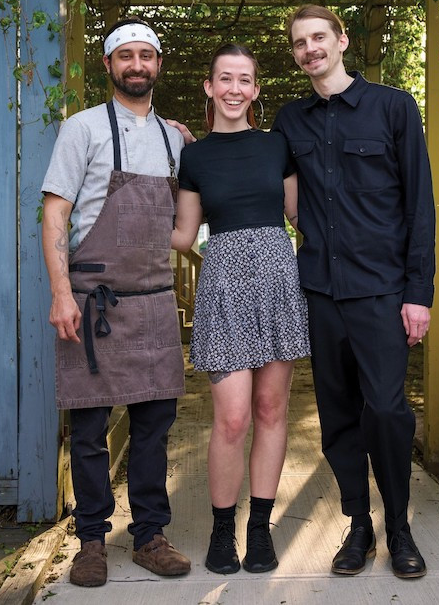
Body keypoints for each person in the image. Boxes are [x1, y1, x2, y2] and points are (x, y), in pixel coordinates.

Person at [272, 5, 435, 579]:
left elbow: (419, 206)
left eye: (319, 37)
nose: (310, 48)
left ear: (342, 40)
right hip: (319, 290)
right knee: (338, 417)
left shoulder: (394, 107)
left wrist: (420, 293)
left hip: (383, 292)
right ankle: (358, 526)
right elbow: (257, 175)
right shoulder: (291, 121)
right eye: (299, 43)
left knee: (388, 411)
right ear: (294, 54)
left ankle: (400, 527)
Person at [41, 17, 191, 587]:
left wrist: (194, 142)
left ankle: (150, 534)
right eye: (124, 56)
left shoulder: (173, 139)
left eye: (145, 56)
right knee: (89, 430)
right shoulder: (82, 128)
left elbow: (186, 212)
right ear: (108, 65)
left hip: (153, 300)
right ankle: (91, 541)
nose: (136, 65)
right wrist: (60, 293)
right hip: (92, 298)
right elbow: (56, 212)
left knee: (155, 424)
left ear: (158, 65)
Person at [171, 43, 310, 575]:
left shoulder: (278, 146)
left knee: (272, 412)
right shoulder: (194, 156)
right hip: (225, 285)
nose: (234, 88)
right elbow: (184, 236)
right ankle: (222, 530)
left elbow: (300, 215)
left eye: (244, 80)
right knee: (232, 419)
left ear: (255, 90)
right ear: (210, 87)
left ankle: (260, 530)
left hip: (278, 280)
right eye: (224, 78)